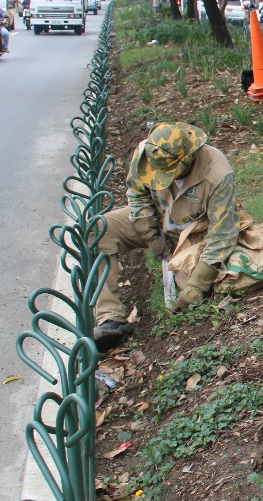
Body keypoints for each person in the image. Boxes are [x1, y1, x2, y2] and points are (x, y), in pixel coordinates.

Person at [93, 123, 239, 350]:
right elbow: (138, 195)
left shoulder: (217, 171)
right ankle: (110, 317)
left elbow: (222, 232)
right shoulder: (146, 153)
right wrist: (150, 235)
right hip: (158, 220)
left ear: (188, 158)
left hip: (192, 234)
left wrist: (197, 286)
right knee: (99, 228)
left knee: (193, 287)